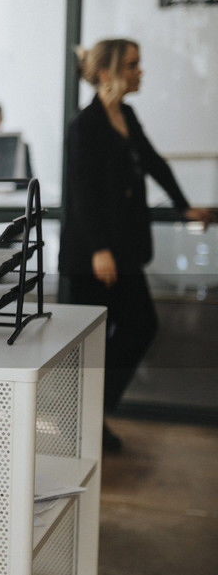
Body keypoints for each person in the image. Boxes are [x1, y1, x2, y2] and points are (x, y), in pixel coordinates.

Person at [61, 38, 213, 452]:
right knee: (89, 345)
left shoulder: (125, 114)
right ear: (108, 72)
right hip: (93, 256)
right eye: (132, 65)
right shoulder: (84, 125)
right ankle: (80, 422)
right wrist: (98, 250)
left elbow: (153, 162)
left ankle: (89, 416)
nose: (139, 71)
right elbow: (82, 192)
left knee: (139, 326)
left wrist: (184, 207)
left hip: (121, 251)